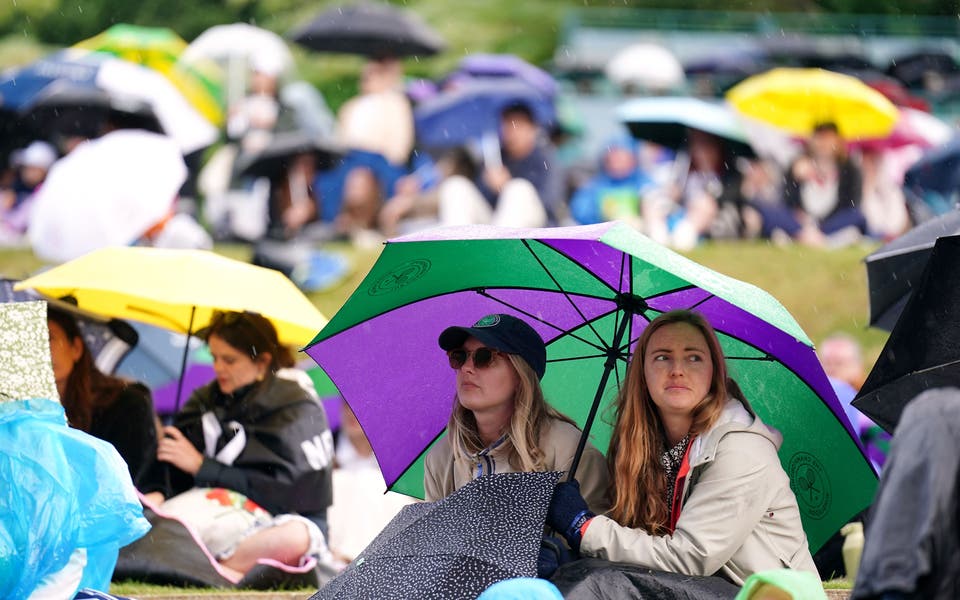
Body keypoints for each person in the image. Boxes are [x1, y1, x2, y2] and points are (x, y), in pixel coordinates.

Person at [547, 309, 818, 586]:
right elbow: (639, 553)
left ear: (714, 373)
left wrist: (583, 527)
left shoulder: (741, 448)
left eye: (694, 358)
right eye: (662, 357)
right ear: (643, 373)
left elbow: (691, 557)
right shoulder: (642, 447)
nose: (677, 370)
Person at [140, 310, 335, 579]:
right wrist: (159, 493)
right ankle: (211, 568)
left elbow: (286, 491)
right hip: (208, 519)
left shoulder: (296, 405)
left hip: (282, 520)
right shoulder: (206, 399)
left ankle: (212, 570)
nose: (218, 368)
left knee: (293, 537)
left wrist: (202, 467)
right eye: (215, 357)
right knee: (156, 523)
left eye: (229, 360)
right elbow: (171, 466)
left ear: (262, 362)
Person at [424, 313, 609, 515]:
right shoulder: (440, 458)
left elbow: (590, 541)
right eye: (459, 356)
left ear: (521, 375)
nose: (467, 367)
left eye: (484, 357)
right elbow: (432, 544)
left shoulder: (570, 452)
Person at [47, 305, 159, 488]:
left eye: (49, 338)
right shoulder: (18, 412)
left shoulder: (125, 405)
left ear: (76, 348)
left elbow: (126, 480)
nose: (41, 350)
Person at [438, 103, 565, 228]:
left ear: (532, 129)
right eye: (508, 126)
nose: (512, 132)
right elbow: (481, 201)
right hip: (493, 225)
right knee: (455, 185)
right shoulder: (494, 158)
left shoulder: (545, 157)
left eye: (518, 126)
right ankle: (457, 242)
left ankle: (501, 243)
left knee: (518, 189)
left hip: (534, 227)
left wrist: (506, 185)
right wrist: (491, 186)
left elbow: (551, 201)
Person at [755, 122, 865, 247]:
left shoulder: (849, 168)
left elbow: (852, 204)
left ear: (838, 141)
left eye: (828, 138)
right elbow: (786, 201)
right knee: (767, 209)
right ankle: (809, 236)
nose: (823, 143)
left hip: (830, 222)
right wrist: (796, 178)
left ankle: (806, 237)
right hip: (802, 220)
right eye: (819, 138)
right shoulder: (798, 164)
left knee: (857, 216)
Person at [643, 129, 745, 250]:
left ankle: (683, 239)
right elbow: (672, 195)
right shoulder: (684, 171)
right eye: (696, 145)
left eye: (705, 145)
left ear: (717, 147)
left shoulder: (730, 175)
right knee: (652, 199)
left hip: (716, 222)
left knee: (704, 204)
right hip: (683, 214)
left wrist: (708, 175)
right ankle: (658, 236)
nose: (700, 152)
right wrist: (673, 194)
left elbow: (725, 199)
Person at [568, 134, 654, 227]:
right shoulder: (595, 185)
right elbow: (580, 211)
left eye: (622, 157)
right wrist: (602, 217)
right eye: (613, 157)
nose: (617, 161)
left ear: (633, 159)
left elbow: (660, 207)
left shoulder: (644, 182)